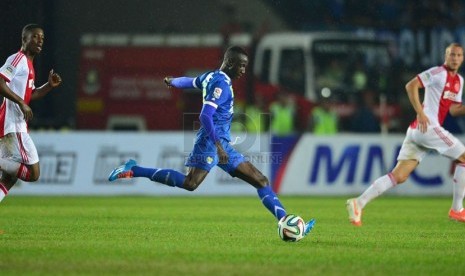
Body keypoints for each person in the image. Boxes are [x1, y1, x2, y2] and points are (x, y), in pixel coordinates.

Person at [108, 46, 315, 236]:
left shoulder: (210, 77)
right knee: (190, 183)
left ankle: (286, 222)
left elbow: (188, 82)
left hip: (222, 144)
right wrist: (217, 146)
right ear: (231, 63)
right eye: (242, 65)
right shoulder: (221, 84)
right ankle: (134, 169)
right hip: (210, 143)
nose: (243, 70)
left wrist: (172, 81)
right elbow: (205, 116)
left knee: (260, 180)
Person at [346, 43, 465, 226]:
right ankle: (457, 209)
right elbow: (411, 86)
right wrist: (421, 112)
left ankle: (358, 202)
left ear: (462, 58)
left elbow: (455, 110)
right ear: (445, 56)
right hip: (428, 127)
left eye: (458, 55)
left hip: (418, 131)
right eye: (451, 55)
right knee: (464, 158)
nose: (455, 58)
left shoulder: (459, 81)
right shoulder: (437, 73)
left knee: (399, 175)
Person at [0, 24, 62, 203]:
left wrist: (49, 86)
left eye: (42, 37)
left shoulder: (29, 66)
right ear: (24, 39)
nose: (40, 40)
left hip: (13, 125)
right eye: (35, 36)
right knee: (34, 173)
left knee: (8, 178)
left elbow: (30, 95)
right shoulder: (18, 59)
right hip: (13, 125)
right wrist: (20, 103)